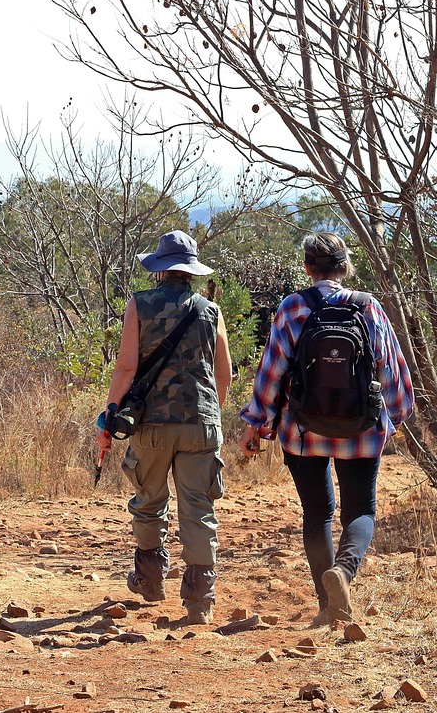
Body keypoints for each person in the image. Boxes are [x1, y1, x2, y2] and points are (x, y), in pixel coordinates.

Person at [240, 232, 415, 625]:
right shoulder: (368, 308)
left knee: (317, 513)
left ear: (307, 267)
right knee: (361, 510)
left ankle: (327, 603)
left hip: (302, 432)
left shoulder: (292, 308)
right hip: (362, 430)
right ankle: (345, 572)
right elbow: (391, 368)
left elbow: (271, 375)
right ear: (345, 267)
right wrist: (397, 415)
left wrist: (257, 425)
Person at [98, 230, 233, 625]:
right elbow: (223, 373)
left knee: (149, 500)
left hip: (151, 425)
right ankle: (199, 601)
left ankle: (151, 579)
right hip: (201, 425)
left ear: (159, 269)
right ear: (190, 272)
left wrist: (109, 415)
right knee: (199, 509)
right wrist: (209, 414)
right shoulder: (211, 311)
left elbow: (126, 367)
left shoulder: (139, 306)